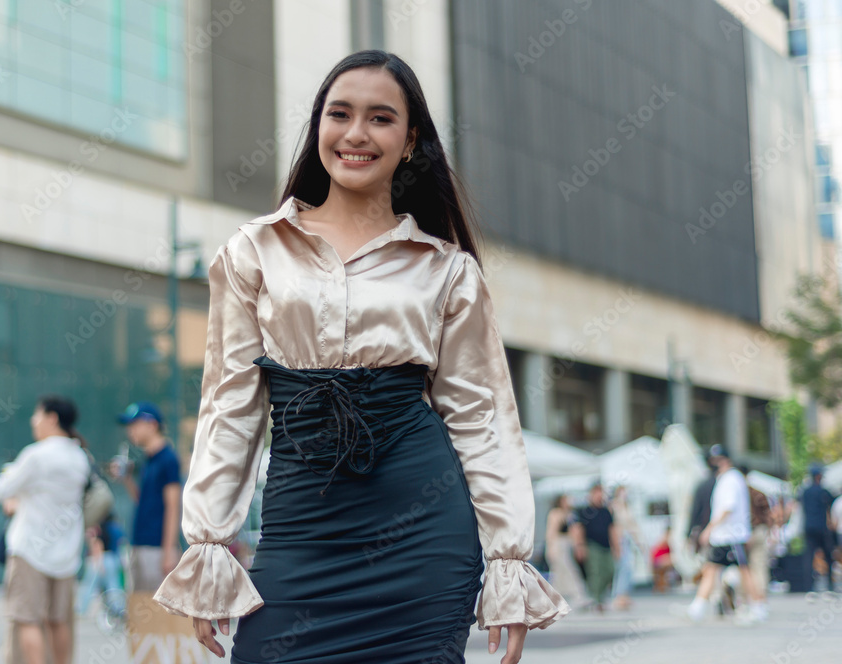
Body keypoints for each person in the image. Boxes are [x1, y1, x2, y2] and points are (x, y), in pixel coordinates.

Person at [152, 49, 570, 663]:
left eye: (380, 118)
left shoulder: (447, 270)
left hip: (422, 534)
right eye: (339, 113)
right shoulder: (254, 252)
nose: (355, 133)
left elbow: (482, 420)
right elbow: (229, 406)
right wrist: (210, 546)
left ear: (409, 141)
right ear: (317, 125)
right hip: (301, 530)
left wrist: (508, 562)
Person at [0, 395, 90, 664]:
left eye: (37, 415)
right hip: (66, 553)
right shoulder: (80, 457)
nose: (33, 421)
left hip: (30, 550)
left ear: (52, 418)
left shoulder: (37, 455)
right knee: (59, 621)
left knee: (27, 620)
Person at [687, 445, 764, 624]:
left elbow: (727, 508)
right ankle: (697, 607)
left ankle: (758, 606)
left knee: (743, 570)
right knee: (712, 569)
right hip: (724, 536)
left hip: (731, 535)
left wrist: (709, 529)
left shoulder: (730, 479)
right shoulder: (726, 479)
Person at [111, 402, 182, 595]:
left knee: (158, 614)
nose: (130, 430)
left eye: (135, 424)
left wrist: (169, 551)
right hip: (140, 544)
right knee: (140, 611)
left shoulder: (168, 459)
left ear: (152, 425)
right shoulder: (148, 460)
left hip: (157, 548)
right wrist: (126, 478)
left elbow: (173, 506)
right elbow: (142, 500)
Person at [571, 482, 619, 612]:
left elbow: (612, 530)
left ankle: (598, 597)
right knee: (595, 573)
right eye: (597, 493)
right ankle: (596, 600)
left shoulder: (606, 511)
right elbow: (578, 529)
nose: (599, 496)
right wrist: (579, 546)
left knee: (610, 570)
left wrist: (616, 547)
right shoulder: (585, 511)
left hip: (606, 546)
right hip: (592, 545)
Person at [545, 495, 590, 609]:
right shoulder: (555, 514)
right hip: (558, 545)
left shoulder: (570, 514)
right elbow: (551, 532)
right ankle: (576, 595)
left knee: (562, 573)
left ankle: (556, 599)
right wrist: (551, 548)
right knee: (565, 571)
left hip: (567, 545)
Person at [739, 465, 772, 614]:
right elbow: (768, 514)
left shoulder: (739, 493)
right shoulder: (757, 492)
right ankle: (760, 599)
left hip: (746, 532)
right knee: (759, 566)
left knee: (746, 568)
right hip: (760, 531)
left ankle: (748, 600)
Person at [800, 463, 836, 592]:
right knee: (828, 555)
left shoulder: (805, 491)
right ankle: (830, 585)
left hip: (808, 526)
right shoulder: (823, 491)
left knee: (809, 556)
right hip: (822, 527)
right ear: (819, 476)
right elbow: (831, 504)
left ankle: (808, 586)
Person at [610, 485, 644, 610]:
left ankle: (624, 594)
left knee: (629, 568)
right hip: (620, 539)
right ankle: (619, 595)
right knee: (624, 568)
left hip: (628, 540)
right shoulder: (615, 506)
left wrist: (639, 541)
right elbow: (613, 526)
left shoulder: (627, 506)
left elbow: (632, 525)